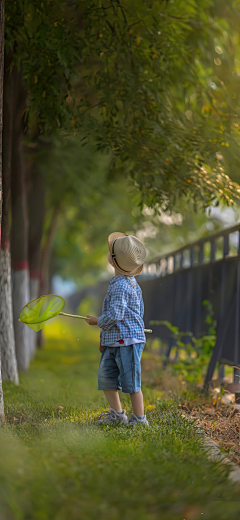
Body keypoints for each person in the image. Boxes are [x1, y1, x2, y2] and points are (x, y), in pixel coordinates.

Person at [85, 231, 149, 426]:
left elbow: (115, 315)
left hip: (128, 342)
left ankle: (139, 419)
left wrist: (97, 321)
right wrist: (105, 338)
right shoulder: (125, 283)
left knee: (131, 383)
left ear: (112, 260)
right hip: (116, 340)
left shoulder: (122, 285)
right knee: (107, 378)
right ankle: (117, 414)